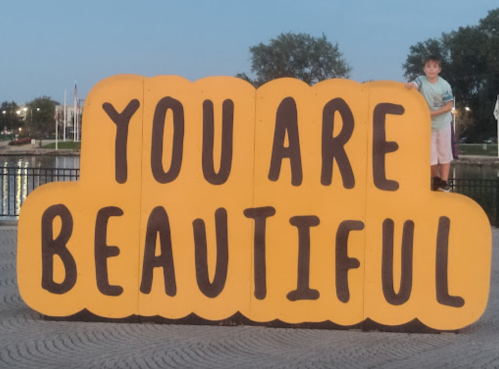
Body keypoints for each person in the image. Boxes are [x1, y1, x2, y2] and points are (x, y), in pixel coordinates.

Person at [405, 55, 454, 192]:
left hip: (443, 124)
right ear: (424, 69)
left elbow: (449, 105)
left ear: (439, 69)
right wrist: (410, 85)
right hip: (426, 126)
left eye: (434, 67)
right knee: (430, 155)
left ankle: (444, 181)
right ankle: (436, 179)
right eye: (428, 66)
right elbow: (414, 85)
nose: (431, 69)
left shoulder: (444, 85)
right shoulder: (421, 80)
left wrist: (432, 113)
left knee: (444, 153)